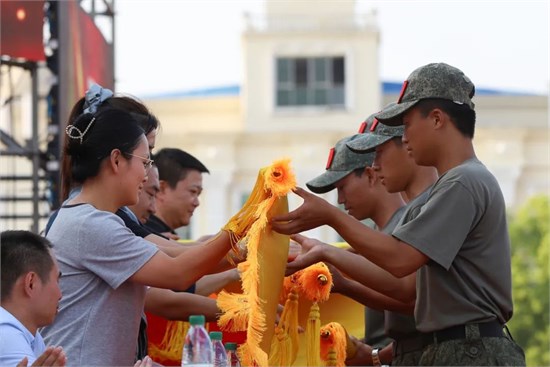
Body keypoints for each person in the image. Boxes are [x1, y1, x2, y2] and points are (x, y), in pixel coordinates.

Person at [274, 62, 526, 366]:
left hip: (469, 349)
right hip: (455, 347)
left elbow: (400, 260)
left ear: (436, 119)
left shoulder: (463, 181)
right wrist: (328, 257)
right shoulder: (457, 182)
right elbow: (406, 286)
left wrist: (329, 219)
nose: (405, 138)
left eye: (406, 124)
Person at [41, 107, 234, 366]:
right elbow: (178, 274)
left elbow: (179, 261)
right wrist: (235, 235)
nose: (146, 175)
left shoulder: (99, 219)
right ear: (117, 160)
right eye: (145, 162)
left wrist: (240, 252)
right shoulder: (90, 224)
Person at [0, 230, 66, 366]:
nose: (60, 294)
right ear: (31, 283)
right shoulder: (6, 334)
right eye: (56, 280)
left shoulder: (28, 333)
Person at [144, 148, 209, 239]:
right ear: (161, 189)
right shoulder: (144, 236)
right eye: (193, 191)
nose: (197, 203)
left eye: (198, 194)